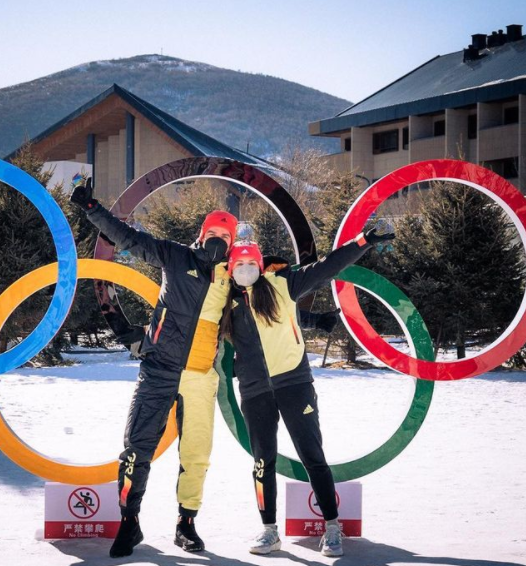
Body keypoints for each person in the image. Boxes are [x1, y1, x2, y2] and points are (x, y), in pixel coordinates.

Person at [70, 178, 235, 557]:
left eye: (223, 239)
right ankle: (129, 523)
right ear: (201, 233)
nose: (216, 243)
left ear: (229, 244)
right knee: (136, 448)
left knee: (197, 454)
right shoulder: (175, 256)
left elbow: (277, 295)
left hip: (200, 377)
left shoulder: (233, 278)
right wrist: (90, 207)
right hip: (160, 368)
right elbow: (128, 238)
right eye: (212, 234)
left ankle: (186, 524)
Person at [219, 221, 395, 557]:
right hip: (255, 391)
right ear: (230, 269)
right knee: (262, 462)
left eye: (250, 264)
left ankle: (332, 527)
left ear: (259, 264)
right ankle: (268, 530)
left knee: (312, 457)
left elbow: (329, 265)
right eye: (238, 265)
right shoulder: (227, 300)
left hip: (294, 385)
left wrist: (365, 240)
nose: (244, 270)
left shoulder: (284, 283)